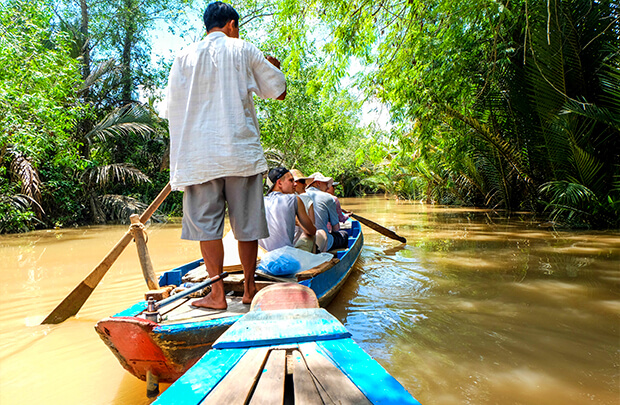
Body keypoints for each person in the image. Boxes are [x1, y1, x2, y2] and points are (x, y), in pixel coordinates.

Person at [165, 1, 286, 309]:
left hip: (199, 157)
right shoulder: (244, 49)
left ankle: (216, 295)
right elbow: (278, 91)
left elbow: (169, 109)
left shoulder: (183, 57)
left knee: (207, 227)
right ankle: (248, 289)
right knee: (246, 224)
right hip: (239, 153)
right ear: (231, 24)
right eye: (237, 27)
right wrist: (274, 67)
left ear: (208, 26)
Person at [259, 167, 316, 252]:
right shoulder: (295, 199)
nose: (295, 184)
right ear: (279, 183)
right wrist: (297, 221)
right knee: (311, 235)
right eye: (291, 180)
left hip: (264, 257)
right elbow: (311, 231)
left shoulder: (260, 202)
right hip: (286, 258)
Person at [305, 172, 349, 252]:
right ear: (318, 183)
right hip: (321, 242)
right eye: (326, 184)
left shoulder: (298, 195)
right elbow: (336, 228)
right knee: (344, 235)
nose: (327, 187)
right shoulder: (328, 197)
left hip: (302, 241)